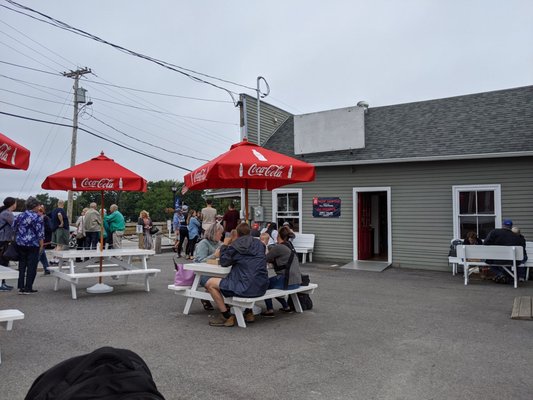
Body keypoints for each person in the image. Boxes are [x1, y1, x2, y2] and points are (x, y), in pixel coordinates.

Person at [204, 222, 269, 327]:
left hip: (245, 287)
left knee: (210, 283)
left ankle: (226, 316)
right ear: (250, 232)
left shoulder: (236, 246)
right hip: (261, 285)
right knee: (244, 275)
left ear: (237, 234)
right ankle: (248, 312)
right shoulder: (260, 245)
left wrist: (225, 245)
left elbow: (224, 262)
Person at [261, 226, 302, 317]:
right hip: (297, 281)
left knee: (265, 284)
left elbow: (263, 259)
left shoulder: (279, 247)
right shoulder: (290, 245)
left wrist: (264, 244)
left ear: (278, 236)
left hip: (287, 281)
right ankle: (286, 307)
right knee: (274, 285)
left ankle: (270, 310)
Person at [13, 196, 44, 294]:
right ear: (35, 206)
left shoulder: (19, 216)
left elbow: (13, 227)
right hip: (33, 244)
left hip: (20, 243)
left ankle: (21, 287)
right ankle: (28, 287)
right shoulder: (38, 217)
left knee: (22, 265)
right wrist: (41, 245)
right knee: (32, 266)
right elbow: (40, 233)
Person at [192, 222, 224, 311]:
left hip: (217, 272)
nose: (221, 235)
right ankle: (224, 305)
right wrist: (215, 255)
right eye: (220, 233)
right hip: (202, 273)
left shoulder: (219, 244)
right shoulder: (203, 243)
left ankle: (225, 303)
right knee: (221, 283)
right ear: (214, 232)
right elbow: (201, 261)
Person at [484, 219, 527, 283]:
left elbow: (486, 243)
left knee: (489, 262)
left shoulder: (494, 232)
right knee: (506, 263)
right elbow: (522, 250)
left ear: (503, 225)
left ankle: (501, 275)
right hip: (512, 261)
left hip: (496, 260)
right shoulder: (517, 237)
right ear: (511, 226)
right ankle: (506, 276)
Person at [0, 197, 17, 291]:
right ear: (12, 204)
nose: (16, 204)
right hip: (3, 240)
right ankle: (1, 284)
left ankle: (3, 283)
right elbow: (15, 225)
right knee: (2, 262)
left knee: (3, 261)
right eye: (15, 203)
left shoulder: (4, 212)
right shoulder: (7, 213)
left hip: (2, 239)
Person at [37, 205, 52, 275]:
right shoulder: (38, 218)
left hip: (45, 239)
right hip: (41, 239)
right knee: (42, 255)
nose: (38, 213)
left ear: (42, 212)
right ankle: (47, 269)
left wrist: (42, 228)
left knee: (38, 254)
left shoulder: (46, 218)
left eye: (40, 211)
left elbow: (49, 228)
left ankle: (32, 268)